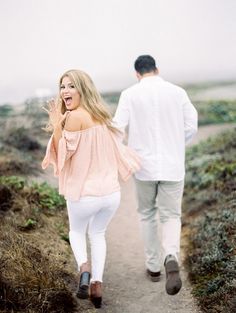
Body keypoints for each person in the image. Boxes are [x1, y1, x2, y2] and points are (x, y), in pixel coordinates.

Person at [41, 69, 140, 308]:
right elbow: (116, 146)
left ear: (82, 89)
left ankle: (84, 267)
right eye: (62, 86)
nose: (65, 91)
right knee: (97, 234)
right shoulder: (101, 115)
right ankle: (97, 284)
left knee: (76, 232)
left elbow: (63, 154)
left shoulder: (74, 117)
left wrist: (57, 125)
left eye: (71, 86)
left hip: (83, 193)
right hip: (110, 194)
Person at [113, 55, 198, 296]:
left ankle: (153, 267)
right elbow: (191, 125)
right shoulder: (178, 92)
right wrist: (176, 145)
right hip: (173, 166)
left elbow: (117, 129)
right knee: (171, 214)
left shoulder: (129, 94)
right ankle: (170, 254)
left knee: (147, 214)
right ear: (157, 70)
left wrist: (122, 154)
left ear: (137, 74)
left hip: (143, 167)